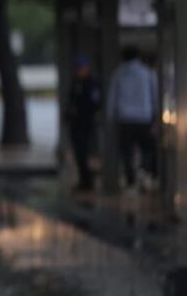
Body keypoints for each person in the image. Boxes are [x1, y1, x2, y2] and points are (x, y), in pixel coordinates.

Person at [107, 45, 158, 193]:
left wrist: (112, 119)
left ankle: (131, 182)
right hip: (144, 118)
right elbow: (155, 97)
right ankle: (146, 174)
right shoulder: (148, 73)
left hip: (125, 119)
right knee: (148, 149)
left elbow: (112, 99)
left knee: (127, 153)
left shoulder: (118, 74)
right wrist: (155, 117)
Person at [65, 55, 102, 193]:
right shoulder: (76, 83)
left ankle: (88, 181)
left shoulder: (91, 83)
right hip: (76, 123)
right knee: (79, 153)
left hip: (87, 123)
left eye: (81, 68)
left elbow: (94, 103)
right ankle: (84, 180)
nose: (79, 71)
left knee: (87, 153)